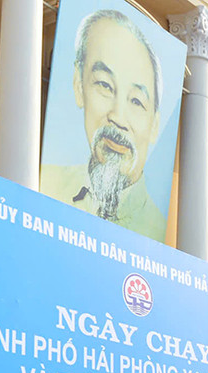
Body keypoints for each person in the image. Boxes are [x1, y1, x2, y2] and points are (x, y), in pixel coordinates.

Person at [41, 8, 169, 238]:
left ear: (155, 125)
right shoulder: (44, 185)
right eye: (104, 85)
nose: (118, 118)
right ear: (79, 86)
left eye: (137, 101)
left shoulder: (159, 234)